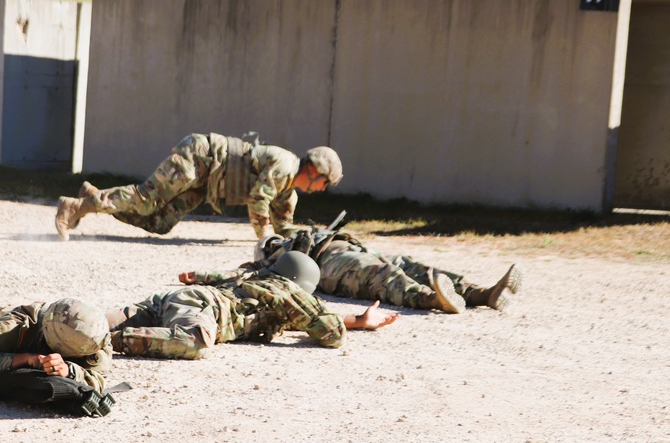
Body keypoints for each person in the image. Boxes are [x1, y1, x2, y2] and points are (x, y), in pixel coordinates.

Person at [106, 251, 398, 360]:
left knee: (100, 319)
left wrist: (360, 319)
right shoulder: (286, 291)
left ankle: (73, 330)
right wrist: (343, 322)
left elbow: (300, 318)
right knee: (196, 342)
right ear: (300, 286)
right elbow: (330, 333)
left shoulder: (260, 278)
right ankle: (107, 341)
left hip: (173, 302)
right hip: (200, 310)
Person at [54, 132, 343, 241]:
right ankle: (74, 208)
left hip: (206, 181)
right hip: (201, 158)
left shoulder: (288, 193)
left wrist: (312, 236)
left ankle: (93, 198)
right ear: (315, 171)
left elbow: (282, 228)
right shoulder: (285, 166)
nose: (322, 189)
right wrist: (263, 239)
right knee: (147, 199)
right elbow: (258, 201)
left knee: (160, 222)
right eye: (325, 183)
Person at [245, 229, 523, 314]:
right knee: (384, 275)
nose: (277, 242)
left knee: (413, 266)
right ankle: (432, 299)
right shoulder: (269, 263)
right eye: (271, 244)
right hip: (331, 265)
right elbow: (277, 281)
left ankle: (481, 293)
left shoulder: (298, 235)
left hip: (352, 250)